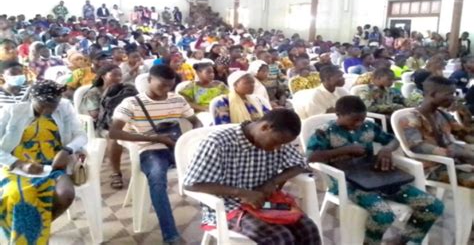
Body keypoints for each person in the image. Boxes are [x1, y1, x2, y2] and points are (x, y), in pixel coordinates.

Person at [306, 95, 444, 245]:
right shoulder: (325, 132)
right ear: (338, 115)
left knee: (433, 205)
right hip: (347, 182)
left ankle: (406, 240)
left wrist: (386, 149)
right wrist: (343, 150)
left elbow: (394, 139)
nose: (359, 124)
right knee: (383, 215)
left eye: (362, 119)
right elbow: (312, 157)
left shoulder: (369, 126)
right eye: (354, 120)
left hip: (375, 176)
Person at [184, 109, 321, 244]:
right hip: (229, 208)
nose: (278, 148)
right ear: (265, 127)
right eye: (276, 142)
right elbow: (191, 184)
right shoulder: (218, 143)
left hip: (265, 203)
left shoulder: (276, 139)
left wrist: (273, 182)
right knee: (280, 237)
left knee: (308, 229)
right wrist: (242, 193)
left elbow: (299, 164)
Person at [109, 65, 201, 244]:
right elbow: (114, 132)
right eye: (162, 85)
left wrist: (193, 137)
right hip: (150, 149)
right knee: (158, 181)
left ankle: (218, 218)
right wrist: (153, 137)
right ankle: (171, 235)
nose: (166, 90)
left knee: (211, 170)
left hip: (176, 146)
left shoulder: (177, 99)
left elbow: (195, 121)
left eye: (170, 85)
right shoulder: (132, 103)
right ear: (149, 80)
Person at [0, 80, 87, 244]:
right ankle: (35, 233)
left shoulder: (64, 108)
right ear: (32, 99)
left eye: (53, 104)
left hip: (53, 166)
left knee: (66, 194)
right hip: (16, 167)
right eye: (43, 104)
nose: (48, 109)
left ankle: (38, 229)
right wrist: (20, 164)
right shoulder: (12, 111)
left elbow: (81, 135)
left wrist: (67, 150)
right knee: (18, 195)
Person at [399, 76, 474, 188]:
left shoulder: (442, 114)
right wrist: (458, 152)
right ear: (433, 94)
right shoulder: (410, 118)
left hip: (454, 162)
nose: (453, 98)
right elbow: (417, 146)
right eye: (449, 94)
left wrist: (464, 112)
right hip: (433, 167)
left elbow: (464, 134)